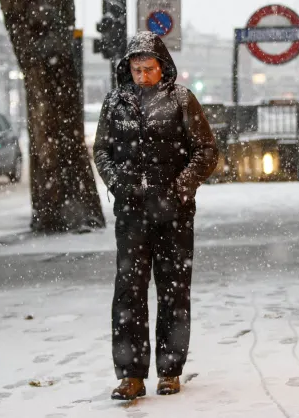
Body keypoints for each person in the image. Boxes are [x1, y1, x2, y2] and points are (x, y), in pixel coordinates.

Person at [93, 31, 219, 400]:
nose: (142, 75)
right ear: (127, 69)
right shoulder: (115, 103)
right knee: (128, 292)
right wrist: (118, 183)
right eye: (136, 69)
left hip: (174, 214)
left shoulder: (182, 100)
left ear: (162, 67)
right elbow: (102, 151)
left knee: (173, 291)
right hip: (131, 213)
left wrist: (181, 187)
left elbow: (206, 151)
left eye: (148, 69)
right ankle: (130, 374)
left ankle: (170, 369)